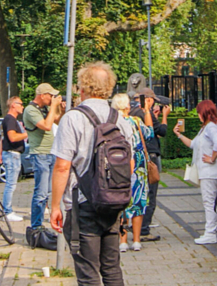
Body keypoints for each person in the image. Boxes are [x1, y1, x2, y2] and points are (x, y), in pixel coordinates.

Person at [52, 62, 134, 286]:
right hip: (114, 202)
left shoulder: (73, 118)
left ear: (83, 87)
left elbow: (62, 166)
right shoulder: (120, 120)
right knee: (112, 268)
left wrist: (55, 206)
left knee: (88, 273)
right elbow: (131, 165)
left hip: (82, 204)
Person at [173, 99, 217, 244]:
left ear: (204, 112)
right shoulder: (207, 127)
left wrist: (212, 158)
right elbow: (193, 144)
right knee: (211, 201)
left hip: (209, 170)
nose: (198, 115)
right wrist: (179, 135)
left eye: (199, 113)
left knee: (209, 201)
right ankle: (216, 231)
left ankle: (210, 232)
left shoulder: (211, 127)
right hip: (208, 170)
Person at [112, 93, 151, 253]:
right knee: (138, 202)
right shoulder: (135, 121)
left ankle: (122, 240)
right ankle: (136, 240)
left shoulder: (111, 122)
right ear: (127, 106)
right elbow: (149, 133)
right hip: (138, 167)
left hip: (118, 165)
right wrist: (147, 111)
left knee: (121, 202)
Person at [23, 83, 63, 237]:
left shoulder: (45, 108)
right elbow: (46, 126)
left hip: (51, 152)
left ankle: (44, 222)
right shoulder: (31, 110)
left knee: (50, 191)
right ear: (42, 95)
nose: (52, 98)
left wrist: (59, 107)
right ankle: (36, 225)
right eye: (50, 95)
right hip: (40, 154)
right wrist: (53, 106)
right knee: (40, 193)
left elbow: (56, 120)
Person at [130, 87, 168, 241]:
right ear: (149, 100)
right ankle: (144, 230)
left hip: (135, 156)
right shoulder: (145, 113)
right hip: (149, 156)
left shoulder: (132, 112)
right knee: (150, 193)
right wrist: (164, 116)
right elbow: (160, 131)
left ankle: (132, 225)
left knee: (137, 192)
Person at [1, 95, 27, 222]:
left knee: (11, 183)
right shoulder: (10, 119)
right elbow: (12, 137)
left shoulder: (10, 120)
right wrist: (27, 134)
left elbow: (3, 139)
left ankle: (7, 210)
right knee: (11, 184)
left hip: (11, 154)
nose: (22, 106)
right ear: (13, 105)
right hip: (12, 155)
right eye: (20, 104)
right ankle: (7, 211)